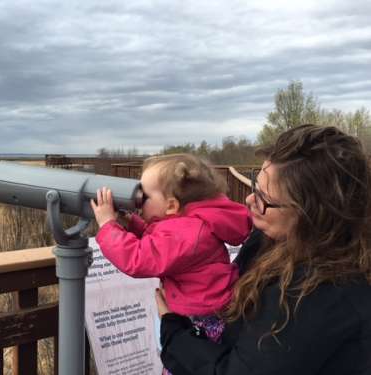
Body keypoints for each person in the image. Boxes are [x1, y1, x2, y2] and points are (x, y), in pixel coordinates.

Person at [156, 124, 371, 375]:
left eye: (264, 198)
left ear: (309, 215)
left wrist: (172, 330)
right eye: (254, 187)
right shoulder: (271, 239)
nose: (249, 200)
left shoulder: (321, 295)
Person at [90, 153, 252, 344]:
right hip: (205, 311)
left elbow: (139, 259)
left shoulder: (187, 232)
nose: (137, 201)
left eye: (144, 197)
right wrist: (130, 221)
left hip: (200, 322)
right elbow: (159, 241)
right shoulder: (190, 223)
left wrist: (108, 224)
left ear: (171, 205)